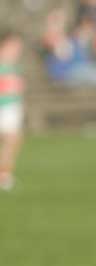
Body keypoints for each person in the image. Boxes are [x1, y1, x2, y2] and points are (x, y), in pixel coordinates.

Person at [0, 29, 24, 192]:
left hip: (12, 107)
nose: (17, 49)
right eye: (14, 45)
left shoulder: (15, 66)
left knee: (13, 140)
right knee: (10, 139)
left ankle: (4, 174)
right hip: (3, 107)